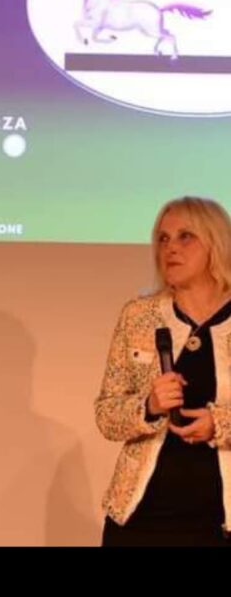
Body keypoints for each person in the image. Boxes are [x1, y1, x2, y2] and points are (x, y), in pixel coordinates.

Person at [96, 196, 231, 547]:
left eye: (186, 236)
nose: (170, 248)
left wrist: (220, 423)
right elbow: (107, 415)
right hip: (142, 519)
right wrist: (149, 406)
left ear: (216, 243)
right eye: (163, 238)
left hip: (219, 521)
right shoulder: (139, 315)